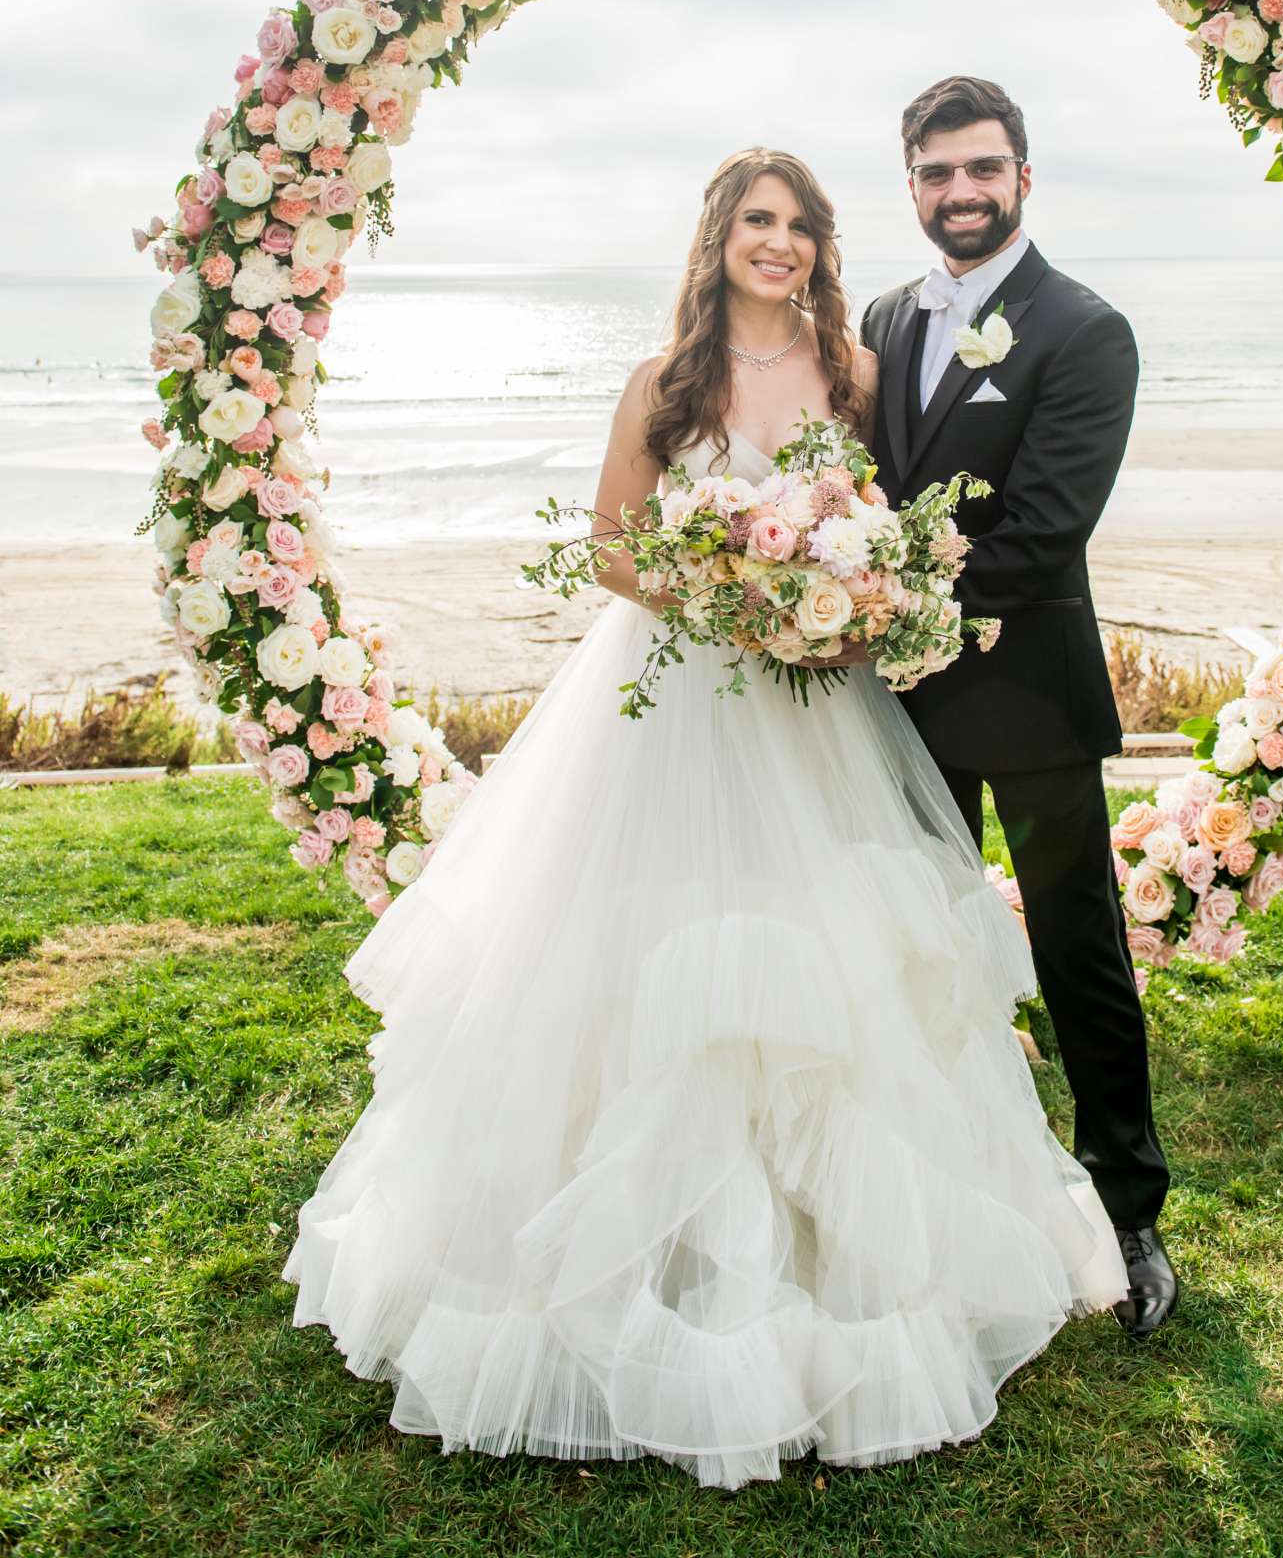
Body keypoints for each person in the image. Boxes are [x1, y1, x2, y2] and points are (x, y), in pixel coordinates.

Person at [282, 147, 1131, 1493]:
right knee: (637, 957)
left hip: (818, 709)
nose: (778, 244)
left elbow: (884, 526)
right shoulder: (661, 383)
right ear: (717, 239)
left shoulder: (853, 376)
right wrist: (731, 596)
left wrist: (827, 596)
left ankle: (838, 1243)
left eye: (798, 224)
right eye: (756, 222)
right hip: (676, 696)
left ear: (821, 244)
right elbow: (617, 544)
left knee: (832, 967)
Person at [859, 77, 1178, 1337]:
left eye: (982, 169)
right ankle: (932, 1185)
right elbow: (859, 489)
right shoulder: (882, 316)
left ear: (1025, 177)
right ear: (914, 185)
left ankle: (1129, 1208)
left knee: (1077, 951)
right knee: (901, 941)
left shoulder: (1086, 331)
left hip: (1031, 699)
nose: (961, 193)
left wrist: (879, 615)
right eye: (937, 174)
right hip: (894, 708)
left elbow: (1043, 531)